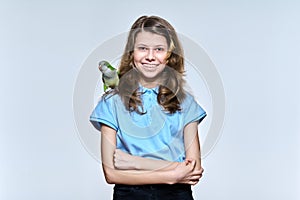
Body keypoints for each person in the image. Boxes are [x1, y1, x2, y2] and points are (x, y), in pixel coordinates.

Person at [90, 15, 207, 200]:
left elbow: (193, 171)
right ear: (132, 53)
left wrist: (134, 163)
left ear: (169, 56)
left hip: (176, 196)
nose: (150, 57)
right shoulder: (112, 102)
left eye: (159, 49)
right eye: (142, 48)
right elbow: (111, 174)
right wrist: (173, 173)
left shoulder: (186, 103)